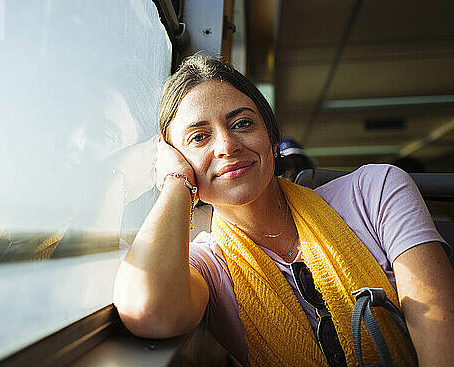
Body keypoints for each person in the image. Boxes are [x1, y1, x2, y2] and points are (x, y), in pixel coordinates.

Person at [113, 54, 454, 367]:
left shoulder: (376, 192)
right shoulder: (207, 266)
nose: (227, 145)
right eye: (199, 138)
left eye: (243, 124)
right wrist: (176, 183)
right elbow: (149, 310)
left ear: (272, 139)